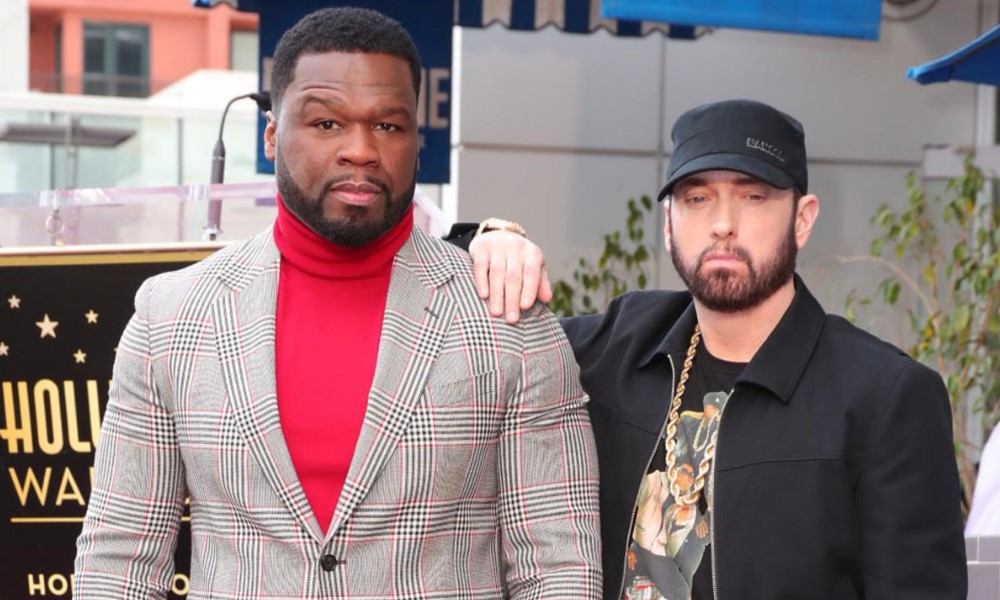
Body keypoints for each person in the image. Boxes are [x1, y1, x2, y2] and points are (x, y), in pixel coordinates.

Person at [73, 8, 601, 598]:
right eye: (326, 123)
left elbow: (558, 567)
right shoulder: (170, 317)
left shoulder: (508, 319)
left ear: (416, 143)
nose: (361, 150)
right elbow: (119, 560)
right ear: (271, 136)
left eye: (388, 126)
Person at [460, 99, 968, 599]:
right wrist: (486, 243)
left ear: (802, 219)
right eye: (698, 198)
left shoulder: (884, 397)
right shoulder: (617, 347)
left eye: (754, 196)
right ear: (668, 224)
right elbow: (469, 332)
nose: (723, 223)